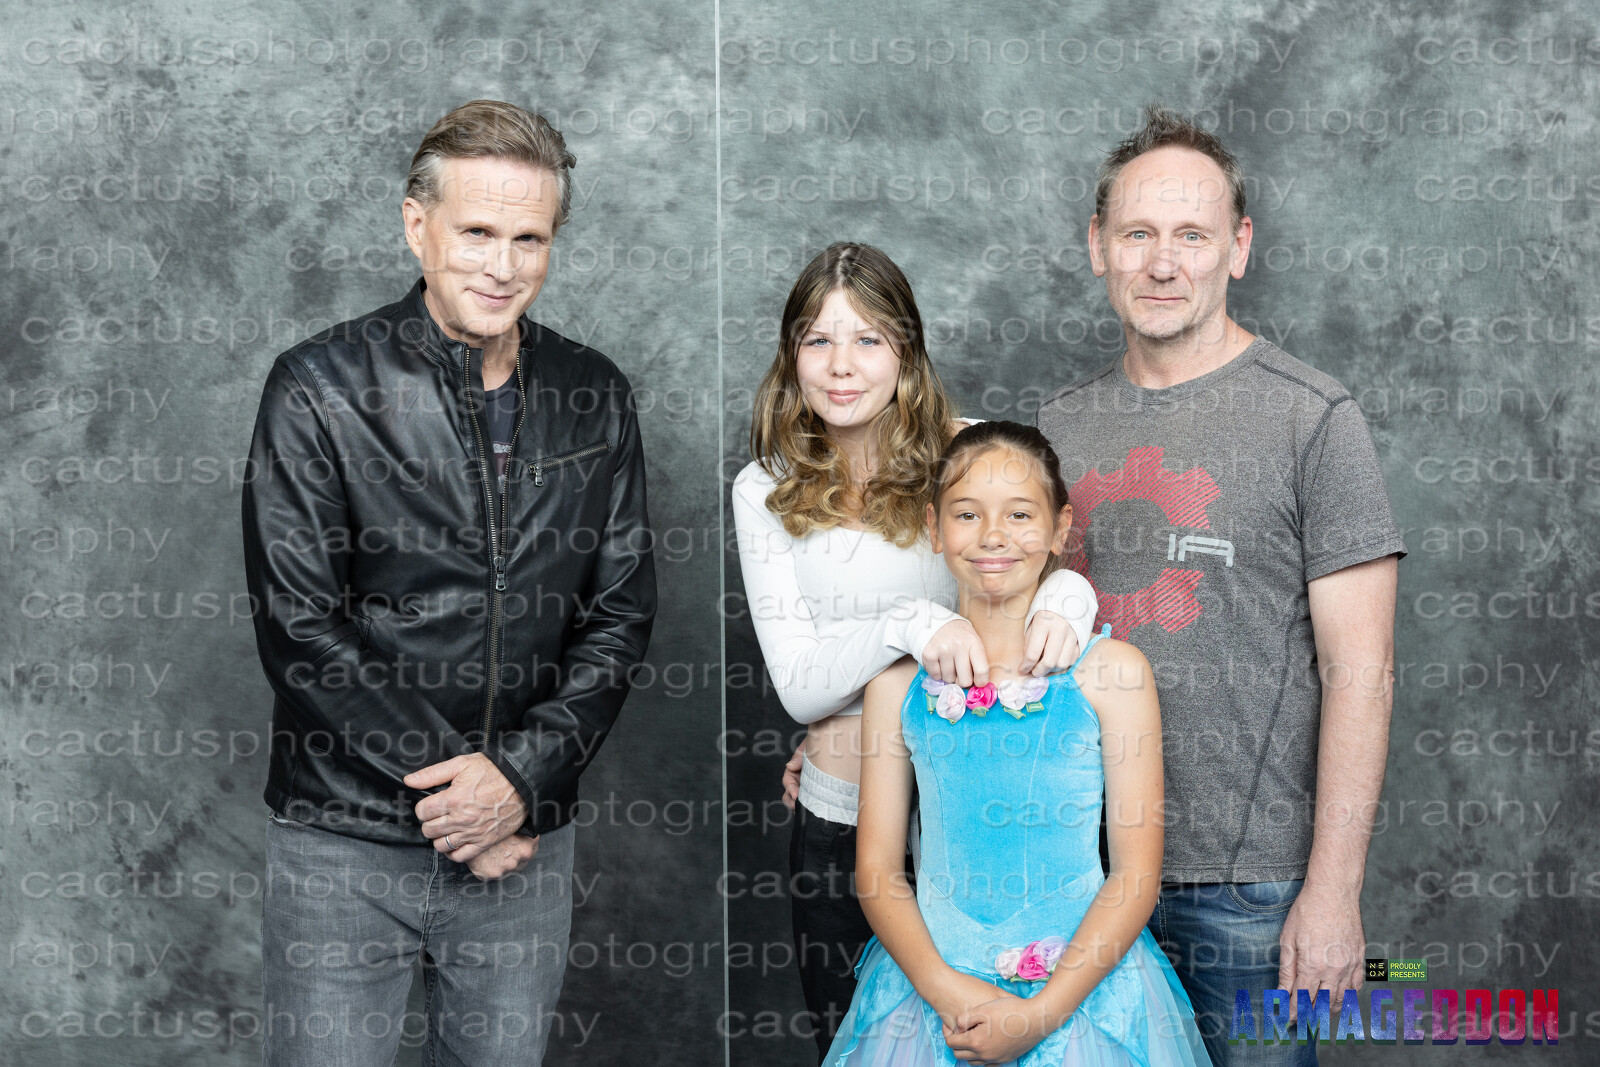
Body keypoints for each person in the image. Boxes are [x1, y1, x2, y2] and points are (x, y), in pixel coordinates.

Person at [241, 99, 657, 1066]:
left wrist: (519, 779)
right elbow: (300, 626)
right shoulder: (319, 387)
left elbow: (618, 615)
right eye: (476, 232)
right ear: (416, 224)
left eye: (529, 239)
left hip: (523, 847)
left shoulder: (594, 392)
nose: (501, 266)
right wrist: (468, 797)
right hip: (344, 843)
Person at [1035, 106, 1405, 1065]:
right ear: (1097, 245)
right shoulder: (1055, 429)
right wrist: (861, 734)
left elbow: (1362, 672)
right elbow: (1004, 635)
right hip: (1078, 877)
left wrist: (1333, 892)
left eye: (1192, 235)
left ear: (1238, 248)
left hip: (1250, 896)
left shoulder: (1314, 419)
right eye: (1138, 234)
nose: (1163, 263)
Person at [732, 243, 1099, 1058]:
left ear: (906, 350)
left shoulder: (966, 449)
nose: (842, 365)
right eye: (818, 340)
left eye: (868, 339)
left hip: (978, 818)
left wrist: (1072, 597)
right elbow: (801, 688)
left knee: (1002, 1042)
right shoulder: (763, 486)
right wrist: (910, 623)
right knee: (863, 1045)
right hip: (843, 818)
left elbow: (1036, 557)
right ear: (791, 355)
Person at [828, 420, 1210, 1066]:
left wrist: (1040, 1014)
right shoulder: (895, 689)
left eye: (1020, 514)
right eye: (967, 514)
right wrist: (947, 991)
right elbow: (878, 873)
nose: (993, 535)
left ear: (1061, 528)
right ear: (934, 527)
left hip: (1079, 993)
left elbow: (1136, 875)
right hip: (932, 993)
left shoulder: (1114, 673)